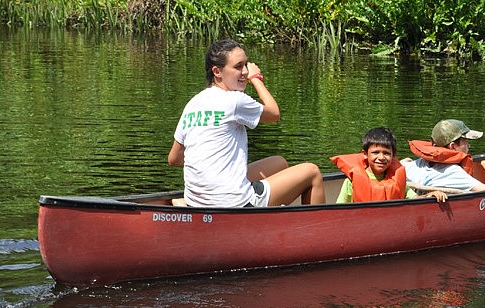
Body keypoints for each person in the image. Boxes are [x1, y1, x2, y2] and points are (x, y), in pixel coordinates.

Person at [168, 38, 325, 207]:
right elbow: (274, 114)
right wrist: (256, 78)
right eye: (238, 66)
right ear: (217, 71)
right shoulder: (235, 100)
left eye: (246, 65)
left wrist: (210, 166)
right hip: (234, 202)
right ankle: (315, 230)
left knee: (280, 163)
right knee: (312, 172)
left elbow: (174, 158)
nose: (244, 72)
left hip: (195, 202)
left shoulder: (193, 104)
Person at [332, 127, 447, 203]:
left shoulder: (397, 179)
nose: (381, 158)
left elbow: (415, 199)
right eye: (375, 152)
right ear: (365, 154)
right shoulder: (351, 182)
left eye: (386, 153)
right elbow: (339, 210)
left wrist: (429, 196)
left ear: (393, 156)